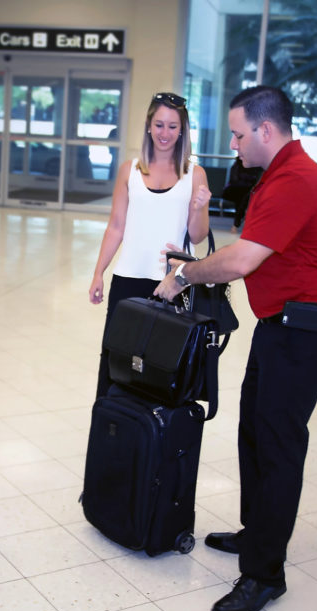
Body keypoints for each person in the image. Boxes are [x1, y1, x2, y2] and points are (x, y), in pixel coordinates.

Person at [154, 85, 317, 611]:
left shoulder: (295, 179)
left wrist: (184, 275)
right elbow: (250, 250)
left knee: (279, 447)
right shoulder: (281, 174)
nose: (234, 143)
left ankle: (265, 575)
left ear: (266, 129)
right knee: (254, 436)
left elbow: (241, 261)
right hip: (279, 324)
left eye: (239, 134)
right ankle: (255, 533)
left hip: (304, 331)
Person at [89, 91, 212, 398]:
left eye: (173, 126)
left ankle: (153, 438)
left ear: (182, 129)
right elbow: (116, 226)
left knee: (162, 365)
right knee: (116, 359)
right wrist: (98, 272)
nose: (165, 133)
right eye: (159, 125)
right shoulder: (130, 170)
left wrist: (198, 208)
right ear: (148, 125)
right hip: (128, 279)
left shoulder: (194, 174)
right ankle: (115, 432)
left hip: (171, 283)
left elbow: (197, 236)